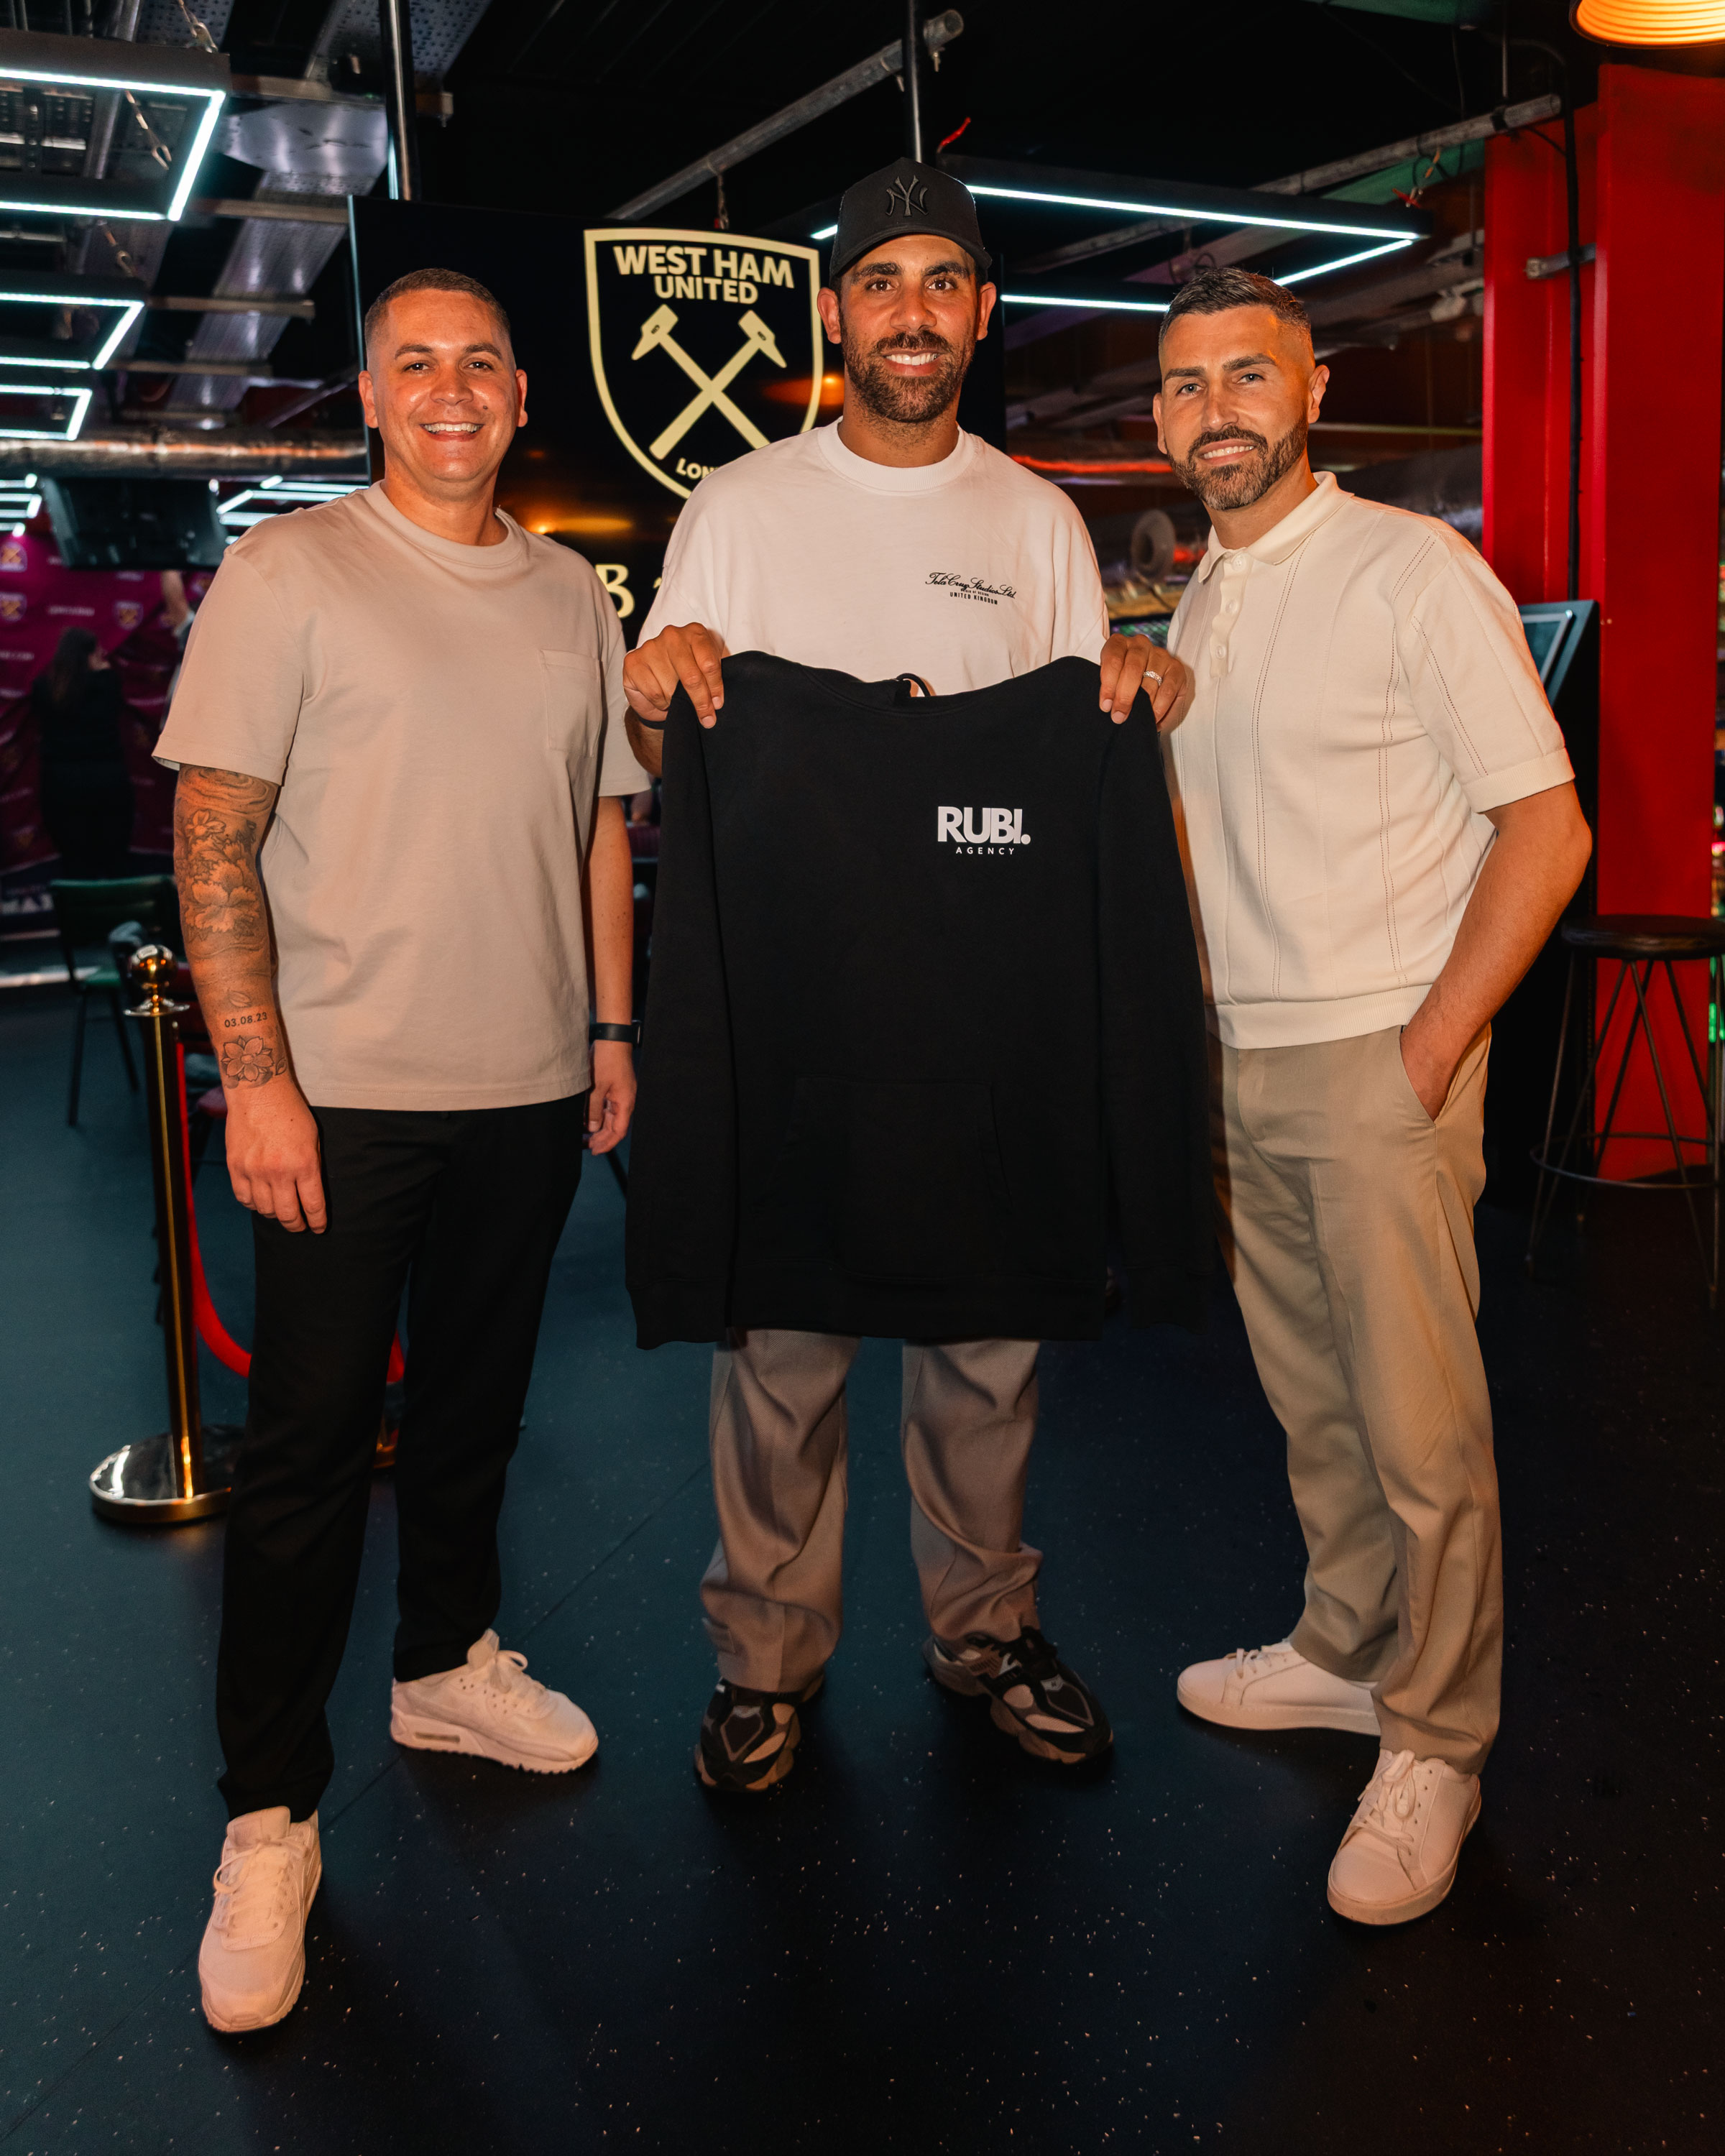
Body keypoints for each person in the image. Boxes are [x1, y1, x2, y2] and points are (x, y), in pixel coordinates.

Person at [622, 156, 1193, 1795]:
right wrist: (656, 676)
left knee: (984, 1349)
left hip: (980, 1017)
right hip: (795, 1012)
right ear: (834, 311)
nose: (911, 313)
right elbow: (658, 724)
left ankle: (983, 1632)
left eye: (943, 282)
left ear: (980, 313)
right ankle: (763, 1662)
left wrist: (1133, 674)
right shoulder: (736, 508)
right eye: (881, 283)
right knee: (780, 1357)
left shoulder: (1031, 520)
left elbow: (1078, 741)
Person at [155, 267, 648, 2032]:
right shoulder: (291, 572)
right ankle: (268, 1814)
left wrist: (604, 1027)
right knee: (299, 1465)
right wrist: (257, 1079)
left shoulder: (566, 598)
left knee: (472, 1412)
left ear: (524, 399)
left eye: (482, 366)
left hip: (525, 1084)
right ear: (367, 394)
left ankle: (443, 1666)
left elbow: (600, 822)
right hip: (342, 1092)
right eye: (414, 363)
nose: (450, 390)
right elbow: (216, 822)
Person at [1154, 268, 1591, 1925]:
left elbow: (1544, 832)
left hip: (1370, 1051)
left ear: (1310, 390)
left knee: (1421, 1430)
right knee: (1310, 1399)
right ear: (1160, 421)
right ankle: (1344, 1647)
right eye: (1186, 388)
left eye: (1244, 379)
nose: (1217, 413)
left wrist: (1426, 1049)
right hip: (1240, 1053)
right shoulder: (1200, 598)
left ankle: (1437, 1738)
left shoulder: (1410, 570)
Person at [33, 627, 135, 876]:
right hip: (107, 783)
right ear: (90, 655)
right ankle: (118, 915)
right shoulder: (108, 683)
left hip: (60, 786)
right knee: (114, 864)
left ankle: (79, 915)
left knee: (74, 864)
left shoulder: (43, 687)